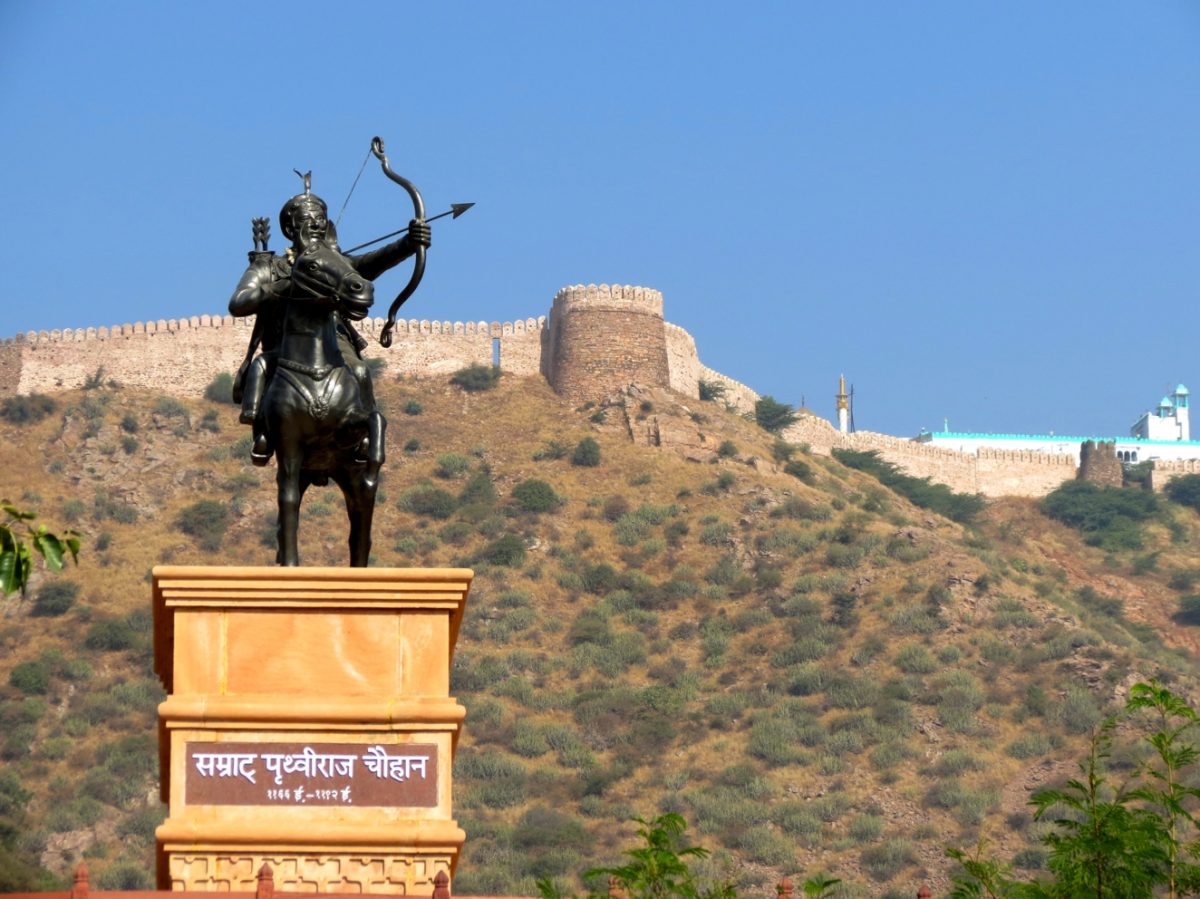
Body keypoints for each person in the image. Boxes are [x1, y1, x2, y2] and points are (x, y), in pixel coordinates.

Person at [229, 177, 430, 465]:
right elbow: (239, 302)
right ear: (290, 228)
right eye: (307, 218)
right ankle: (261, 429)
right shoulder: (271, 266)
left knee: (359, 370)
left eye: (321, 218)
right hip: (287, 342)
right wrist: (281, 287)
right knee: (262, 366)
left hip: (333, 341)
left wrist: (409, 243)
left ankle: (363, 433)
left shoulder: (335, 261)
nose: (316, 223)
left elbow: (369, 264)